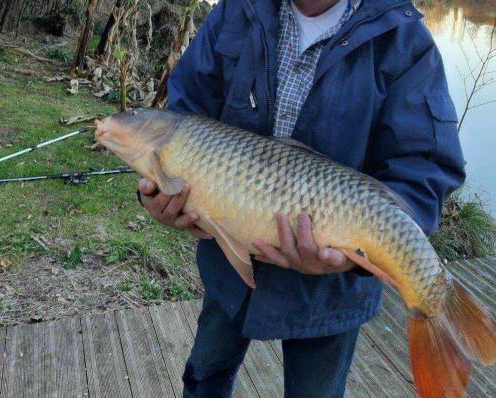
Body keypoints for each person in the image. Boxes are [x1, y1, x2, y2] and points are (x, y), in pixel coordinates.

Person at [137, 0, 466, 396]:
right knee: (204, 377)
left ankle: (434, 300)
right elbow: (185, 117)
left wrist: (349, 258)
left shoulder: (405, 41)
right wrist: (160, 194)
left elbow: (423, 166)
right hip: (231, 264)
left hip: (332, 294)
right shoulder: (236, 11)